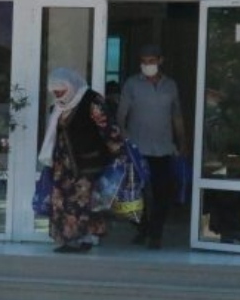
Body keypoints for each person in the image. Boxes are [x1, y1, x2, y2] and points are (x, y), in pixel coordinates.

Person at [38, 68, 124, 253]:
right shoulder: (58, 106)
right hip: (62, 165)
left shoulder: (92, 101)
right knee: (62, 202)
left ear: (71, 86)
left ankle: (84, 239)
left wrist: (118, 151)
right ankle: (68, 239)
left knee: (83, 201)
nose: (58, 95)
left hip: (86, 163)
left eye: (61, 91)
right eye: (55, 93)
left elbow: (107, 128)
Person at [117, 44, 187, 249]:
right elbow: (121, 115)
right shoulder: (132, 84)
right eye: (144, 61)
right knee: (134, 193)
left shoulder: (170, 85)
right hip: (137, 149)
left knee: (162, 193)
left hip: (163, 148)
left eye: (151, 61)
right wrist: (124, 140)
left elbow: (176, 116)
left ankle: (156, 233)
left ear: (160, 61)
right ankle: (142, 228)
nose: (147, 65)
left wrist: (183, 142)